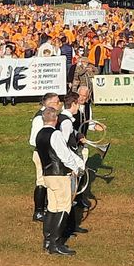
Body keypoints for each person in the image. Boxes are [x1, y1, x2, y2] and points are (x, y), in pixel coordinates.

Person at [36, 107, 85, 256]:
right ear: (56, 119)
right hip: (59, 174)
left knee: (52, 207)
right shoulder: (55, 134)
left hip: (47, 175)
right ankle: (55, 244)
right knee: (64, 207)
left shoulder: (40, 134)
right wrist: (77, 168)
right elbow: (64, 155)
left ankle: (48, 240)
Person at [58, 92, 90, 236]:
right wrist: (73, 164)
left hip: (69, 161)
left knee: (71, 196)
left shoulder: (66, 120)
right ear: (73, 104)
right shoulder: (65, 121)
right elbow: (64, 144)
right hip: (68, 163)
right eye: (78, 104)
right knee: (69, 197)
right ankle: (67, 228)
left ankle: (71, 226)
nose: (79, 106)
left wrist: (77, 134)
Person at [29, 93, 61, 222]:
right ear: (48, 103)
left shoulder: (51, 115)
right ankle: (38, 212)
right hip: (42, 154)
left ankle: (48, 207)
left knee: (49, 181)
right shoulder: (39, 119)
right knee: (41, 181)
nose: (59, 104)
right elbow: (33, 140)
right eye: (57, 102)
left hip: (49, 154)